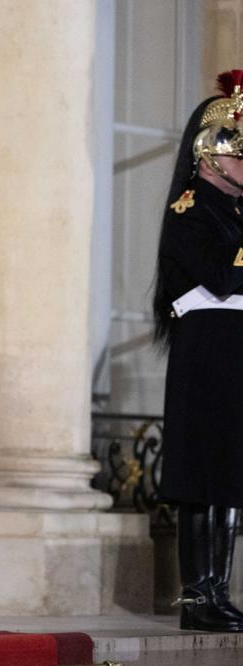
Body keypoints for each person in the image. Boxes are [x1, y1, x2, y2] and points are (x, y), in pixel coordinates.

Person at [153, 69, 243, 633]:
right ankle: (196, 595)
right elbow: (221, 276)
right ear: (211, 155)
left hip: (234, 347)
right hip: (207, 347)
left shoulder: (234, 214)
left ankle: (220, 590)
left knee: (231, 474)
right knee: (203, 472)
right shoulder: (190, 210)